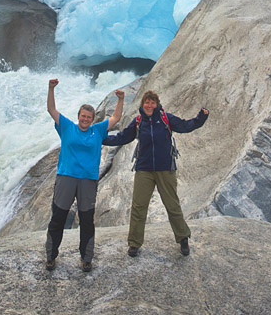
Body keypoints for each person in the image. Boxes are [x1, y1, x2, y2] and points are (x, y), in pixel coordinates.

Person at [104, 90, 208, 257]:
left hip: (165, 168)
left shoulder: (166, 118)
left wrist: (201, 117)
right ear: (142, 104)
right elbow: (123, 137)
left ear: (157, 104)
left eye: (152, 102)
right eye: (147, 102)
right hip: (144, 169)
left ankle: (183, 238)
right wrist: (102, 139)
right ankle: (134, 243)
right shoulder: (138, 121)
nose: (149, 105)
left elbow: (186, 126)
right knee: (138, 207)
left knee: (172, 205)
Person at [45, 78, 124, 273]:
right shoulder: (67, 127)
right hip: (66, 177)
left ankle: (86, 258)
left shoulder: (97, 131)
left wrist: (120, 100)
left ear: (92, 119)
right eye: (83, 116)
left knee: (87, 220)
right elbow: (51, 110)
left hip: (88, 181)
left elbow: (116, 118)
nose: (86, 119)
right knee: (58, 217)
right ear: (78, 116)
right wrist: (51, 89)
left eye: (89, 117)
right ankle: (51, 256)